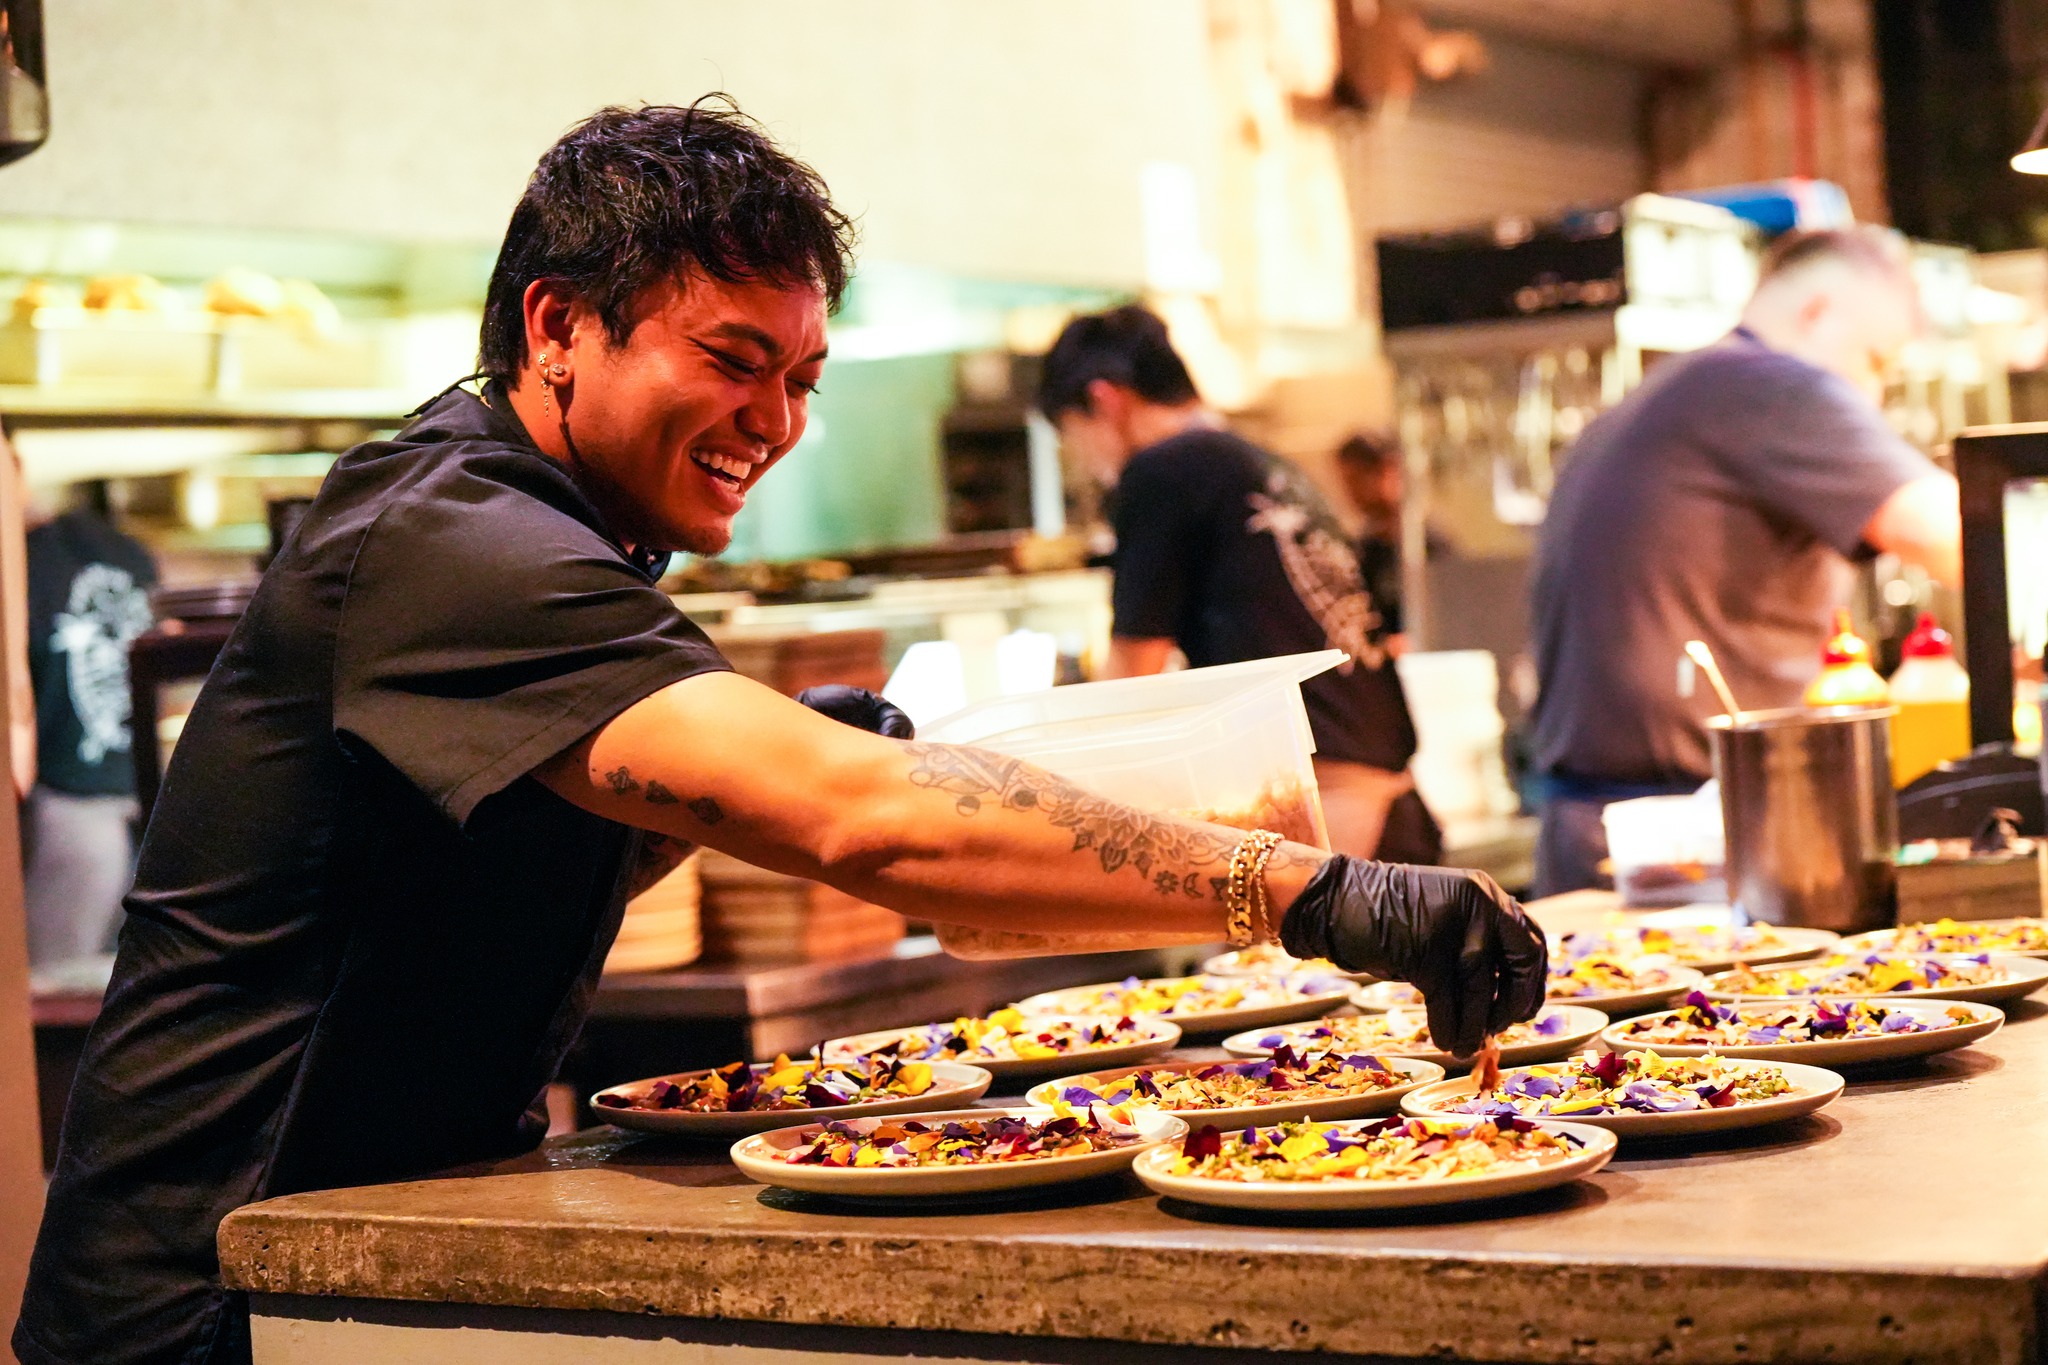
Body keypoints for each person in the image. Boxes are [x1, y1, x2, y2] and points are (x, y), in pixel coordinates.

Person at [14, 102, 1545, 1365]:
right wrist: (1311, 894)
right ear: (558, 326)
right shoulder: (450, 540)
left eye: (803, 375)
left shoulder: (543, 536)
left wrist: (738, 764)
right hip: (210, 1300)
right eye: (735, 359)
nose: (779, 417)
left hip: (365, 1254)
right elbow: (872, 826)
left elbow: (462, 863)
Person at [1529, 225, 1961, 897]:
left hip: (1600, 829)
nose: (1878, 394)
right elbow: (1966, 539)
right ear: (1818, 312)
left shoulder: (1678, 388)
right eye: (1880, 361)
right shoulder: (1776, 385)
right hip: (1685, 847)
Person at [1038, 308, 1440, 865]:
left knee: (1270, 959)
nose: (1085, 460)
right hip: (1391, 798)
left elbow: (1132, 677)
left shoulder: (1162, 471)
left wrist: (1052, 793)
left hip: (1328, 806)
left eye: (1072, 436)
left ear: (1105, 401)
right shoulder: (1248, 459)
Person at [19, 482, 156, 973]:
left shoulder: (26, 562)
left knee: (48, 988)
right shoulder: (131, 555)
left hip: (68, 801)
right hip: (144, 798)